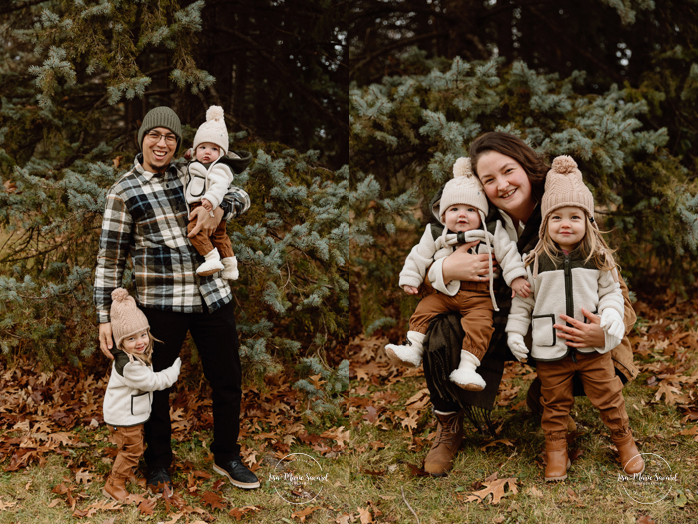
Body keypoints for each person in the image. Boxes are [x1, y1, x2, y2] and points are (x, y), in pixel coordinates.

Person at [416, 132, 638, 477]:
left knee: (605, 363)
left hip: (562, 323)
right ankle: (449, 422)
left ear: (526, 165)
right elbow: (421, 266)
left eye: (508, 171)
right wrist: (443, 270)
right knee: (440, 328)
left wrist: (603, 333)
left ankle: (547, 395)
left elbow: (615, 292)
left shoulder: (565, 206)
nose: (501, 185)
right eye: (489, 180)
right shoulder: (472, 217)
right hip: (497, 318)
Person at [94, 106, 259, 494]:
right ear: (142, 139)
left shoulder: (192, 172)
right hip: (161, 304)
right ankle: (158, 464)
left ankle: (226, 454)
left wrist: (219, 209)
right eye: (155, 136)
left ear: (178, 144)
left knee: (227, 379)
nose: (162, 143)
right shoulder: (123, 192)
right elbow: (110, 259)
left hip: (212, 296)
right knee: (154, 386)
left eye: (170, 138)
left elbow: (241, 194)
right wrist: (104, 316)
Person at [505, 155, 643, 481]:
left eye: (574, 216)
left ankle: (625, 442)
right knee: (554, 404)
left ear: (588, 221)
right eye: (556, 217)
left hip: (593, 349)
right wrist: (515, 334)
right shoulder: (533, 262)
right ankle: (556, 452)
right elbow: (522, 306)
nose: (565, 223)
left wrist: (610, 318)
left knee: (609, 396)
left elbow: (612, 294)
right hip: (550, 351)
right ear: (545, 223)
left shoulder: (597, 257)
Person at [385, 157, 530, 391]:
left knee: (480, 326)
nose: (461, 215)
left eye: (470, 210)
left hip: (479, 297)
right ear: (443, 215)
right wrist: (410, 278)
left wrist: (516, 278)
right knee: (424, 309)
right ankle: (413, 347)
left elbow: (509, 254)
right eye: (454, 209)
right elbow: (418, 256)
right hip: (445, 292)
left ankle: (467, 368)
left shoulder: (492, 232)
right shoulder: (435, 234)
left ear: (482, 215)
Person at [102, 288, 182, 501]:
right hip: (123, 418)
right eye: (131, 338)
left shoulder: (135, 356)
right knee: (131, 451)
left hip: (128, 416)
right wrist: (174, 369)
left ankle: (125, 474)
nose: (140, 342)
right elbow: (154, 382)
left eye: (143, 334)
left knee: (132, 448)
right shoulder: (129, 366)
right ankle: (114, 483)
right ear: (120, 343)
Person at [185, 105, 240, 279]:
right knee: (220, 236)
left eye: (214, 149)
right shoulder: (199, 163)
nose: (207, 152)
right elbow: (194, 161)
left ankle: (211, 258)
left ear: (222, 153)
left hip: (207, 204)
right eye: (202, 148)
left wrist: (213, 203)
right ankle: (231, 267)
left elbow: (220, 184)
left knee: (194, 230)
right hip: (206, 204)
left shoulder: (219, 168)